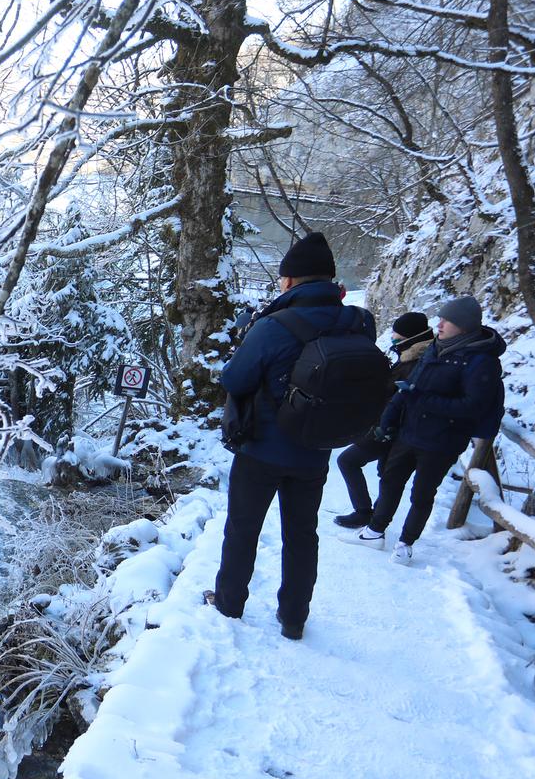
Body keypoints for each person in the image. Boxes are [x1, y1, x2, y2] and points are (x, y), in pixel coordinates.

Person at [206, 232, 376, 640]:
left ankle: (229, 603)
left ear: (289, 281)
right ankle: (294, 617)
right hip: (316, 446)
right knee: (301, 534)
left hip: (262, 446)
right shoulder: (359, 322)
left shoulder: (273, 325)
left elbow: (235, 377)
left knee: (243, 528)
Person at [354, 295, 506, 563]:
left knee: (422, 494)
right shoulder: (437, 346)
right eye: (441, 318)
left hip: (442, 441)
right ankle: (375, 531)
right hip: (410, 431)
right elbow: (410, 387)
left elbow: (473, 407)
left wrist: (421, 400)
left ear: (465, 325)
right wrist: (388, 420)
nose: (440, 323)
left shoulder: (482, 360)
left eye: (448, 320)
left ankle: (405, 544)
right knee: (390, 481)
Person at [332, 311, 434, 528]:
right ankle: (374, 515)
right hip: (390, 425)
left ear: (409, 337)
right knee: (385, 472)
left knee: (349, 461)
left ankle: (366, 514)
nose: (393, 338)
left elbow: (400, 396)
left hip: (391, 427)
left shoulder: (418, 361)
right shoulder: (411, 356)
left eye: (397, 335)